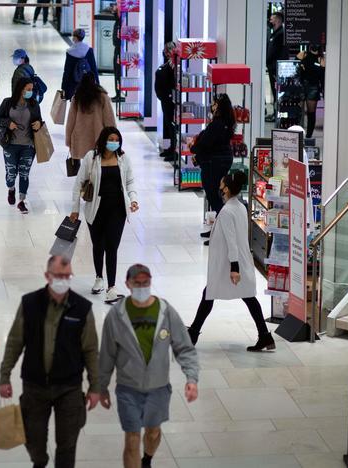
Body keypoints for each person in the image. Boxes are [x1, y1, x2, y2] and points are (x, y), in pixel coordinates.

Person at [0, 255, 100, 468]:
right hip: (35, 386)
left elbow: (90, 349)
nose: (63, 280)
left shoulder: (82, 308)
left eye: (67, 276)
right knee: (33, 439)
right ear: (47, 276)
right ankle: (40, 461)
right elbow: (15, 342)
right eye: (59, 276)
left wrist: (95, 386)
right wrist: (4, 376)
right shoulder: (30, 303)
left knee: (67, 443)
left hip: (69, 387)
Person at [99, 264, 199, 468]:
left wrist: (191, 378)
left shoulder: (165, 312)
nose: (142, 287)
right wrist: (100, 386)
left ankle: (147, 459)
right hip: (128, 387)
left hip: (158, 387)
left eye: (146, 283)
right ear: (127, 284)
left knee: (153, 432)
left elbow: (184, 348)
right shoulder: (117, 315)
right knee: (132, 438)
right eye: (137, 283)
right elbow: (107, 355)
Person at [187, 172, 276, 352]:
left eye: (221, 182)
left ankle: (192, 335)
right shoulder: (240, 206)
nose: (219, 185)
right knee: (242, 296)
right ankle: (265, 336)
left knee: (210, 294)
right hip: (236, 260)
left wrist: (234, 268)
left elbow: (231, 241)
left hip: (229, 263)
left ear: (225, 188)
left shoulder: (227, 211)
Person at [70, 127, 138, 304]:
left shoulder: (123, 158)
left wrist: (133, 199)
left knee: (112, 247)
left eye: (117, 139)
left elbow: (130, 181)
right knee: (98, 245)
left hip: (118, 209)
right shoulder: (91, 158)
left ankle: (111, 287)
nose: (114, 142)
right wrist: (75, 208)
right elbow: (79, 183)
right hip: (95, 209)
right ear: (103, 140)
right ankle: (99, 277)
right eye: (111, 139)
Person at [0, 77, 44, 214]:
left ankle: (21, 201)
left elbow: (39, 119)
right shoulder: (8, 103)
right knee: (11, 174)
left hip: (28, 146)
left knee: (24, 174)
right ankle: (11, 189)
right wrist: (7, 123)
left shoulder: (33, 104)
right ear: (21, 89)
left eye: (32, 89)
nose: (31, 92)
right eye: (28, 89)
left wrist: (39, 123)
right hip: (10, 145)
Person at [191, 93, 235, 241]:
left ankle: (223, 232)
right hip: (220, 160)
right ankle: (218, 230)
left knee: (213, 195)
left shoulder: (217, 124)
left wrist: (194, 149)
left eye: (214, 103)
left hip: (214, 163)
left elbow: (205, 143)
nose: (212, 106)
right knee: (215, 194)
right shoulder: (226, 122)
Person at [65, 73, 116, 161]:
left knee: (84, 166)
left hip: (80, 138)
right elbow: (109, 119)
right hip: (98, 136)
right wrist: (113, 137)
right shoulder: (102, 97)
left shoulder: (77, 98)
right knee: (97, 163)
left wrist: (68, 140)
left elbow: (70, 121)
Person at [60, 29, 99, 101]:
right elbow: (93, 67)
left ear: (75, 37)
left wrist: (64, 87)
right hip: (87, 82)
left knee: (74, 104)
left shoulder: (70, 52)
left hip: (73, 83)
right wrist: (97, 83)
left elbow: (67, 71)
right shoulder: (89, 50)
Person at [154, 42, 177, 160]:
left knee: (172, 125)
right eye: (166, 51)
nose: (167, 53)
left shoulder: (174, 65)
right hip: (165, 99)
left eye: (169, 51)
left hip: (170, 99)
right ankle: (172, 148)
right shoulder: (168, 64)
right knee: (168, 124)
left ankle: (174, 150)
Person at [297, 44, 325, 138]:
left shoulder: (321, 59)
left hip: (313, 87)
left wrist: (323, 92)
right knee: (298, 111)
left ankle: (308, 136)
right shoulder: (303, 54)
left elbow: (322, 77)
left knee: (311, 113)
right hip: (301, 85)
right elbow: (295, 67)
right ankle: (297, 133)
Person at [266, 11, 287, 122]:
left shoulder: (280, 34)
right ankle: (275, 113)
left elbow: (274, 52)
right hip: (272, 67)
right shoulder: (275, 33)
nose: (270, 20)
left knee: (277, 92)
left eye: (272, 19)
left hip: (276, 68)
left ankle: (278, 114)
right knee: (274, 92)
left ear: (278, 20)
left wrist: (267, 60)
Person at [110, 3, 123, 103]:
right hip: (117, 49)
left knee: (118, 72)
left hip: (120, 50)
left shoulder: (121, 22)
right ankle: (118, 93)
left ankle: (119, 94)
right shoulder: (118, 21)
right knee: (116, 71)